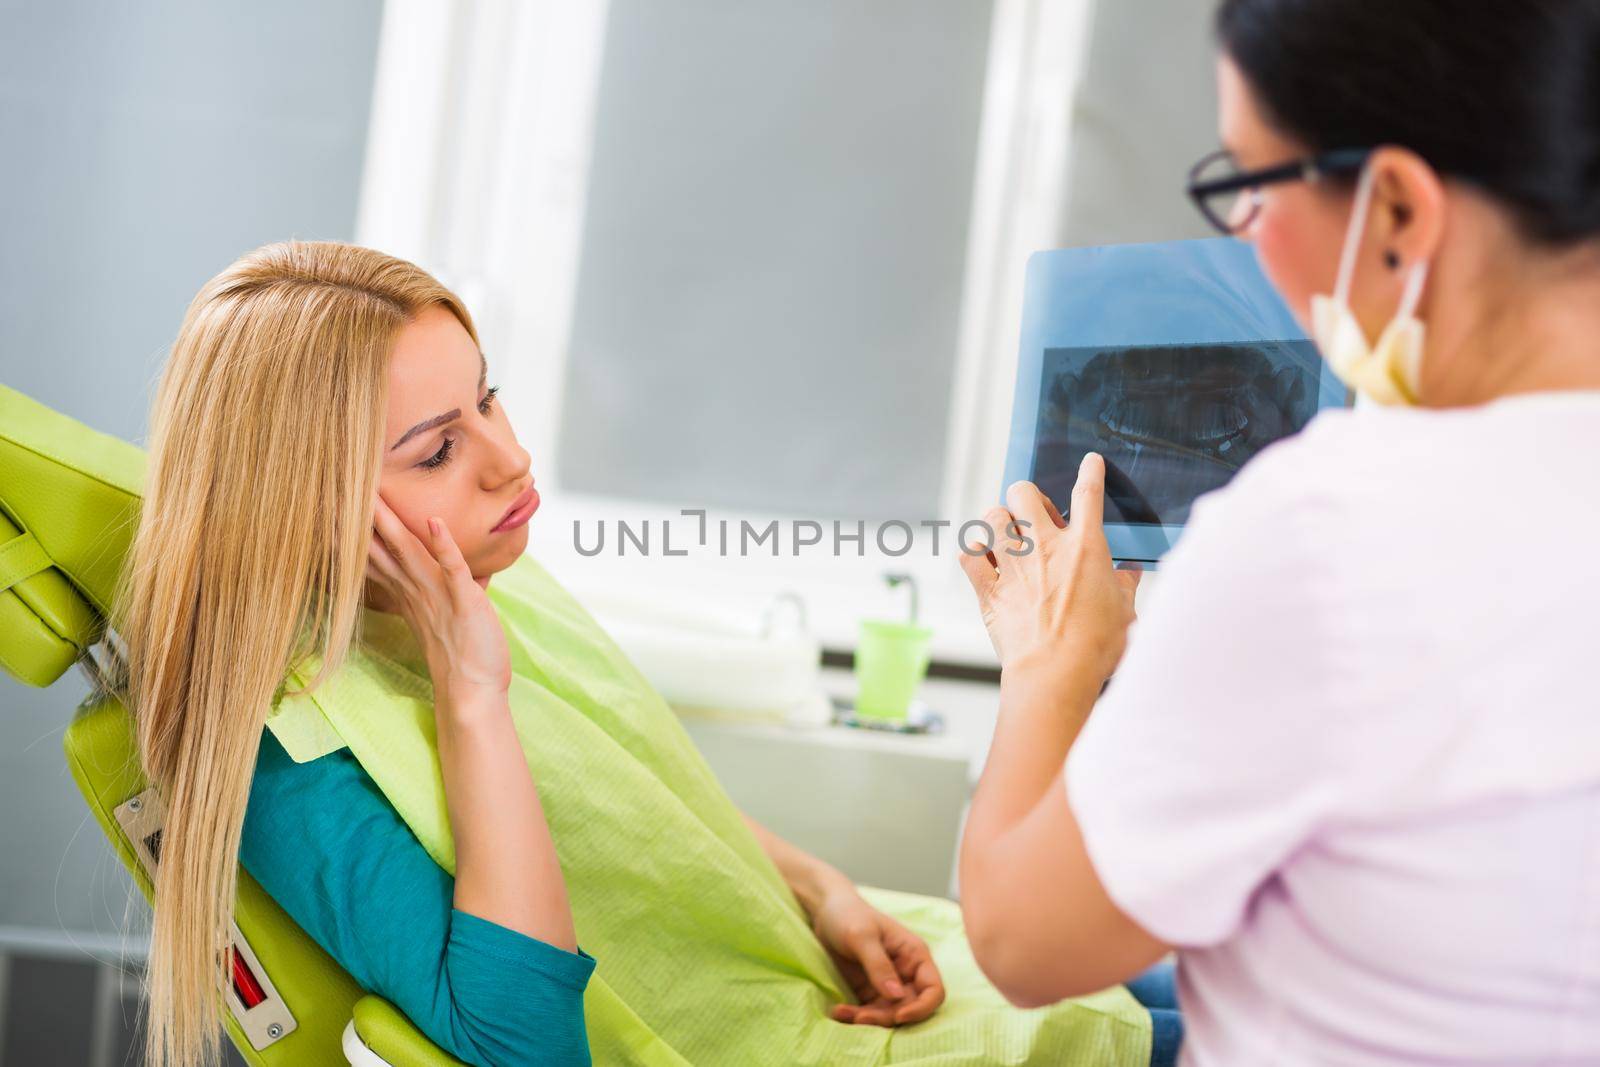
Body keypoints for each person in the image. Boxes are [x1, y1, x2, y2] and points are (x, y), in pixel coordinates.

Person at [112, 241, 1160, 1067]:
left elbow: (616, 799)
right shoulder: (296, 765)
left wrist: (817, 885)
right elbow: (522, 1046)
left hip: (811, 979)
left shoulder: (472, 575)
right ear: (302, 507)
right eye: (437, 448)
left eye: (488, 397)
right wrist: (471, 698)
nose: (511, 457)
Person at [955, 1, 1600, 1064]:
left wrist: (1051, 662)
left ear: (1395, 205)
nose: (1246, 237)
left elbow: (1022, 941)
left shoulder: (1325, 527)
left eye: (1249, 187)